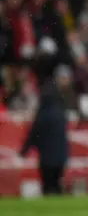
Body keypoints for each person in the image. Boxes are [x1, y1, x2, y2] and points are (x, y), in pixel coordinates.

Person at [20, 64, 71, 195]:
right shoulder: (60, 114)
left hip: (47, 158)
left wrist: (24, 150)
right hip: (60, 157)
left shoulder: (42, 115)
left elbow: (34, 135)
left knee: (48, 186)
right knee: (56, 183)